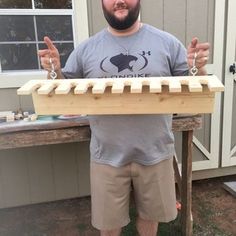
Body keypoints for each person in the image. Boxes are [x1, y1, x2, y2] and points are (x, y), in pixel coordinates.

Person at [38, 0, 210, 235]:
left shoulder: (167, 43)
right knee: (109, 227)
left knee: (150, 220)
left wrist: (197, 68)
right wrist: (53, 70)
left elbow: (192, 87)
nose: (119, 0)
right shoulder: (87, 49)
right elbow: (63, 91)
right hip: (106, 156)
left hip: (155, 152)